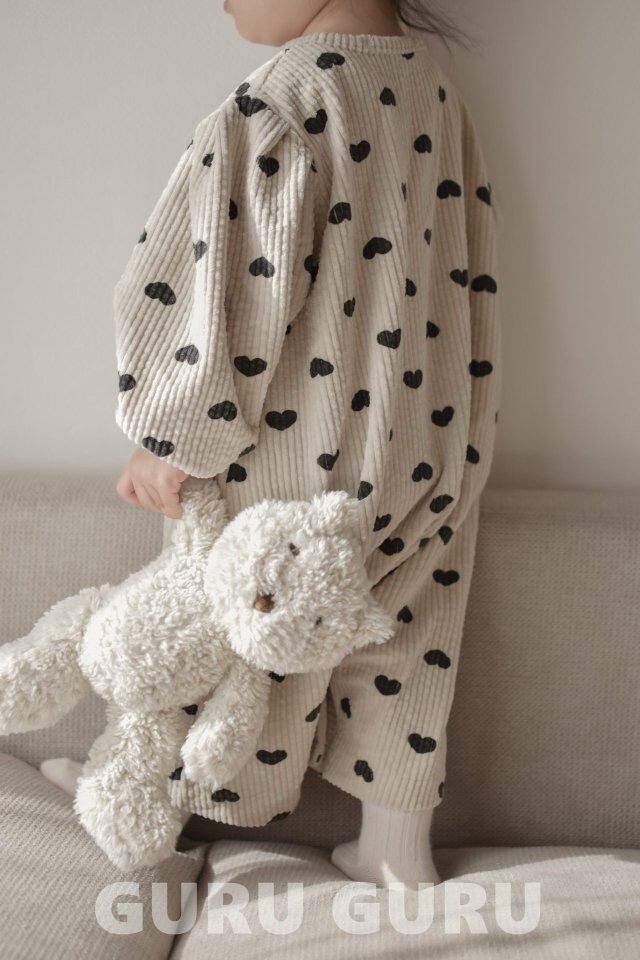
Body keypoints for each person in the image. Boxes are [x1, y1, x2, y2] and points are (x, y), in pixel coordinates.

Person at [42, 0, 502, 889]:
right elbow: (470, 262)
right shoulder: (433, 91)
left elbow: (224, 284)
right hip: (427, 438)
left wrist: (174, 432)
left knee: (218, 628)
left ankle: (141, 800)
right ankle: (397, 848)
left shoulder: (282, 103)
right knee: (407, 638)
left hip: (302, 444)